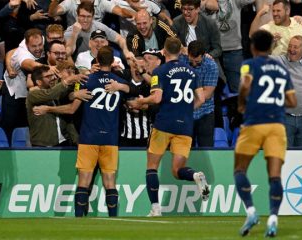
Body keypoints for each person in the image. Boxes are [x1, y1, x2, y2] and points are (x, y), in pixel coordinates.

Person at [132, 37, 209, 217]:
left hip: (164, 123)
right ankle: (195, 175)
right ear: (179, 51)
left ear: (164, 52)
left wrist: (142, 100)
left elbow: (157, 98)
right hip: (185, 126)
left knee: (152, 166)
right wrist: (186, 110)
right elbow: (202, 99)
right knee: (177, 170)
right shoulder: (192, 72)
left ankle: (155, 208)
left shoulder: (160, 71)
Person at [234, 30, 297, 237]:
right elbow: (292, 102)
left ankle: (251, 211)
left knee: (240, 170)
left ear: (253, 47)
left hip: (254, 123)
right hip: (277, 126)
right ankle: (273, 219)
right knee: (275, 176)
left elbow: (245, 84)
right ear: (271, 48)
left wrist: (242, 104)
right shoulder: (281, 69)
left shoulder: (249, 65)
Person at [73, 46, 129, 217]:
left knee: (84, 180)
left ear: (97, 60)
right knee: (110, 181)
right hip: (110, 137)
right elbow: (130, 91)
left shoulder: (86, 80)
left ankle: (78, 219)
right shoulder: (119, 83)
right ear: (112, 62)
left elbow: (73, 100)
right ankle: (113, 219)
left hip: (89, 136)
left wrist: (74, 94)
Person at [249, 0, 302, 67]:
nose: (275, 14)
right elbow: (251, 34)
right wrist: (260, 14)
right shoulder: (268, 28)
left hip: (298, 67)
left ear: (287, 11)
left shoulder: (299, 24)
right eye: (273, 11)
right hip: (277, 68)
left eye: (278, 11)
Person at [26, 65, 78, 147]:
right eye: (48, 76)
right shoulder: (33, 95)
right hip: (42, 144)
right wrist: (67, 81)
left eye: (52, 75)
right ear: (39, 82)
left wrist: (75, 140)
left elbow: (66, 118)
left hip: (63, 142)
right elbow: (49, 94)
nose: (53, 78)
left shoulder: (56, 94)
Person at [179, 40, 218, 147]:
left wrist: (186, 102)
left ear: (203, 55)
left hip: (204, 114)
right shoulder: (181, 59)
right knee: (184, 151)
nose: (194, 64)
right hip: (185, 115)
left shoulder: (211, 66)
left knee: (206, 150)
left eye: (198, 62)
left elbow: (207, 93)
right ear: (188, 54)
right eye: (192, 61)